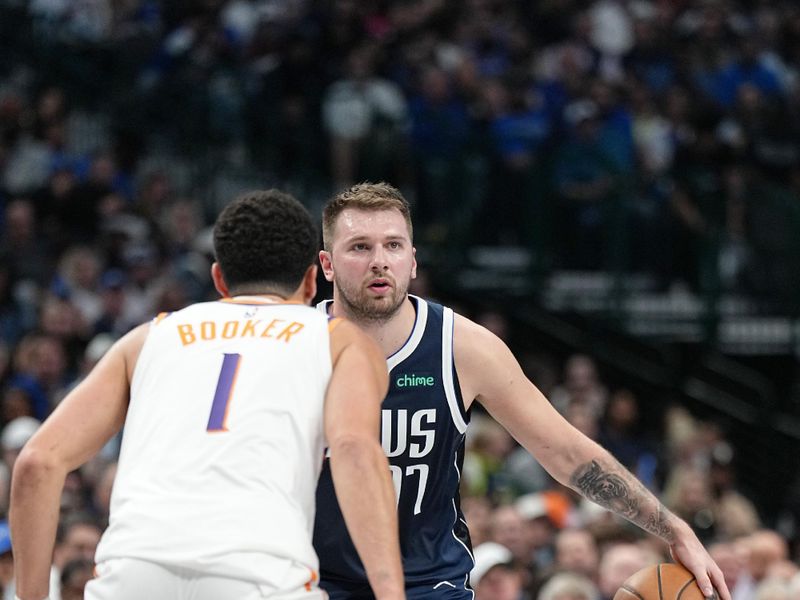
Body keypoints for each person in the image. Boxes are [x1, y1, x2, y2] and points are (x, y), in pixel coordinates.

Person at [312, 181, 730, 600]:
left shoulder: (462, 348)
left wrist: (674, 528)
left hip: (428, 584)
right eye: (360, 247)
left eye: (393, 245)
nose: (379, 261)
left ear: (414, 261)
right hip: (314, 581)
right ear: (327, 265)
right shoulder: (291, 349)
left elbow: (565, 452)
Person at [10, 190, 405, 600]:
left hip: (130, 578)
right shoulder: (337, 340)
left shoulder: (148, 337)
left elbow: (37, 463)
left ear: (219, 279)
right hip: (258, 578)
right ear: (310, 280)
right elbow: (354, 450)